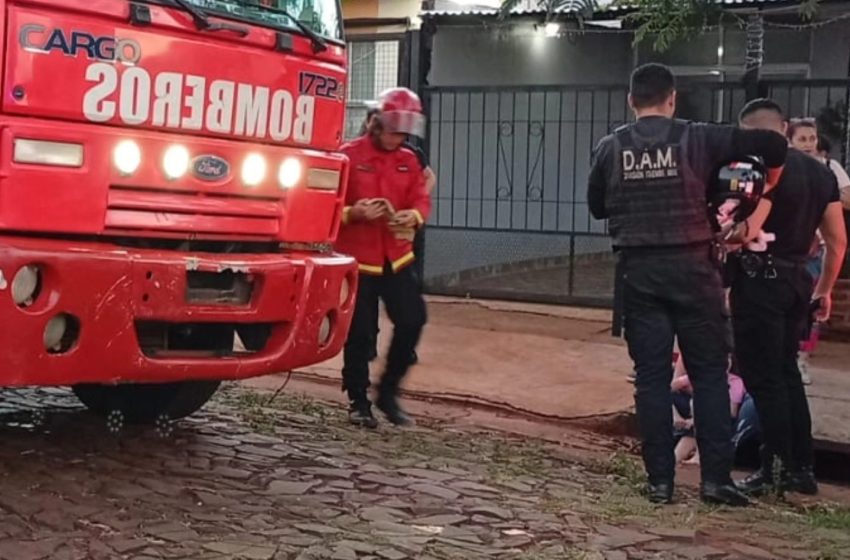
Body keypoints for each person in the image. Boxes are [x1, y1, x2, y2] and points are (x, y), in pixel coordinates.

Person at [587, 63, 788, 506]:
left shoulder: (609, 147)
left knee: (651, 378)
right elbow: (774, 144)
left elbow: (597, 207)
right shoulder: (699, 137)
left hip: (639, 272)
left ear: (631, 101)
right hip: (695, 269)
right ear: (672, 99)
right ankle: (715, 481)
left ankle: (660, 482)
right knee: (710, 375)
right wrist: (762, 193)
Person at [727, 98, 847, 496]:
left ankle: (773, 469)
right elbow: (837, 241)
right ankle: (802, 469)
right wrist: (823, 289)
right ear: (784, 128)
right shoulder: (821, 173)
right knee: (787, 373)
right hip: (798, 281)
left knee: (764, 379)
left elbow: (744, 231)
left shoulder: (759, 170)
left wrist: (722, 232)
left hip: (759, 281)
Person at [336, 87, 432, 428]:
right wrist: (353, 213)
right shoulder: (347, 156)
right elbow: (327, 206)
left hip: (397, 258)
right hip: (358, 259)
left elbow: (420, 198)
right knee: (360, 333)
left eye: (404, 131)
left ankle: (388, 392)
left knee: (413, 320)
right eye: (393, 129)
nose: (398, 137)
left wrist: (414, 216)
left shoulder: (409, 159)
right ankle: (358, 400)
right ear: (376, 122)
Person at [361, 107, 436, 365]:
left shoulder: (410, 154)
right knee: (366, 303)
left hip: (398, 239)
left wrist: (412, 212)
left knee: (407, 303)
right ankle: (367, 346)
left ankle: (405, 350)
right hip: (366, 243)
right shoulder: (356, 153)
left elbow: (428, 180)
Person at [786, 121, 850, 384]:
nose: (808, 144)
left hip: (816, 251)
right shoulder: (782, 167)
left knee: (811, 306)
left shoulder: (829, 169)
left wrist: (825, 194)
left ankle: (802, 358)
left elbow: (847, 197)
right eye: (802, 139)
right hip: (788, 249)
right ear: (790, 141)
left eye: (811, 138)